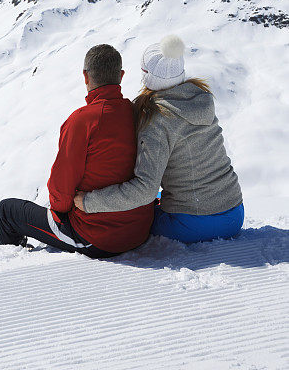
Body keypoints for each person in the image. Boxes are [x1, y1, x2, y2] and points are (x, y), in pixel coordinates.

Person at [0, 44, 154, 258]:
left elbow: (60, 191)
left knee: (7, 211)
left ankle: (0, 265)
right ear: (121, 75)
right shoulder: (138, 113)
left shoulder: (82, 121)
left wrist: (64, 210)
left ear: (85, 76)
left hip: (97, 237)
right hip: (139, 230)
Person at [74, 35, 244, 244]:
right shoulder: (200, 98)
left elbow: (145, 190)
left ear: (147, 76)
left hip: (195, 223)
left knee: (134, 222)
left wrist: (90, 201)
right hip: (235, 214)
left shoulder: (157, 118)